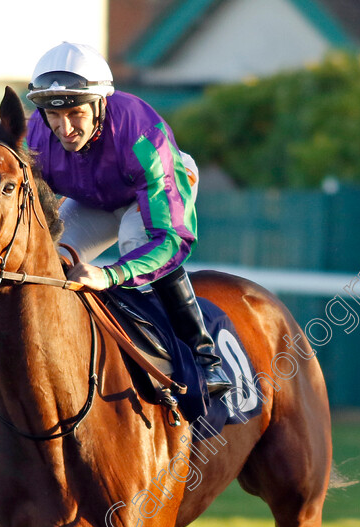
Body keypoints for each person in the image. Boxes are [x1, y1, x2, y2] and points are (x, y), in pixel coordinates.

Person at [25, 42, 231, 396]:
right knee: (46, 257)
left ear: (100, 104)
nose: (65, 127)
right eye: (54, 115)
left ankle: (204, 359)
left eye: (76, 113)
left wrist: (109, 275)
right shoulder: (37, 137)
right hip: (92, 199)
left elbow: (170, 239)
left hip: (154, 191)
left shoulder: (142, 134)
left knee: (136, 242)